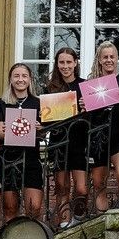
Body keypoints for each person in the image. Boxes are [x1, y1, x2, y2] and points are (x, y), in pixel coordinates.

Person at [0, 61, 46, 224]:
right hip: (8, 159)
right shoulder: (1, 103)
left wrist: (40, 128)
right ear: (10, 79)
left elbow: (44, 131)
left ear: (30, 79)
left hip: (31, 158)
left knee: (34, 207)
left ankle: (31, 238)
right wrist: (5, 130)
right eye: (16, 76)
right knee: (10, 208)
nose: (20, 79)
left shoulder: (39, 102)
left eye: (24, 76)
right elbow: (0, 132)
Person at [44, 48, 89, 221]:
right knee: (62, 187)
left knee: (82, 189)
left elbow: (93, 117)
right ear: (57, 64)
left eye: (69, 62)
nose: (65, 66)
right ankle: (64, 224)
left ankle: (78, 219)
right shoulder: (50, 88)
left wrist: (86, 108)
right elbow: (46, 120)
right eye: (61, 62)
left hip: (80, 141)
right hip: (58, 142)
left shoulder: (84, 86)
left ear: (75, 63)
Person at [84, 41, 119, 213]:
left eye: (112, 57)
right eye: (105, 57)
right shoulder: (91, 83)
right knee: (98, 183)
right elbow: (86, 114)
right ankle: (102, 218)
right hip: (97, 137)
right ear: (99, 60)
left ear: (117, 59)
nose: (109, 60)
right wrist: (83, 104)